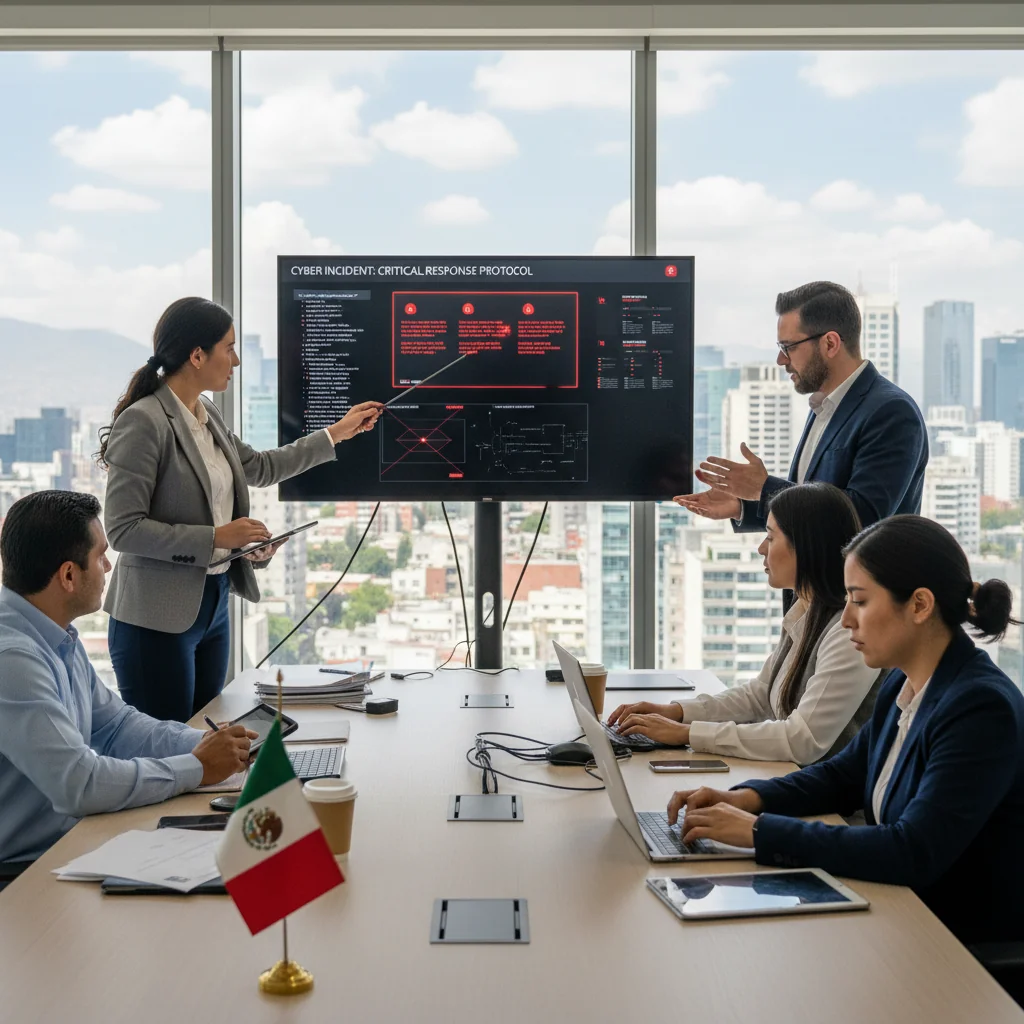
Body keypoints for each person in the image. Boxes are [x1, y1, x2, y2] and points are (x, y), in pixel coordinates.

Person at [665, 515, 1024, 945]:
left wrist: (757, 832)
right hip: (897, 914)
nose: (846, 621)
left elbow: (912, 851)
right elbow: (842, 776)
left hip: (953, 946)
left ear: (920, 605)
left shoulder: (980, 708)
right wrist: (747, 797)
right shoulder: (905, 679)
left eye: (860, 601)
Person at [98, 297, 383, 722]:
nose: (236, 361)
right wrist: (217, 538)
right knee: (169, 752)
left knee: (208, 742)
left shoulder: (205, 412)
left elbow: (261, 468)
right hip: (155, 620)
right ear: (197, 355)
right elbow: (122, 529)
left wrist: (336, 434)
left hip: (212, 604)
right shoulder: (145, 421)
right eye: (228, 348)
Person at [0, 491, 256, 869]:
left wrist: (209, 744)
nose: (107, 566)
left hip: (71, 845)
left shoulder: (55, 635)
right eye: (100, 555)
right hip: (24, 874)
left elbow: (117, 727)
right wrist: (197, 767)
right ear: (69, 575)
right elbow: (80, 785)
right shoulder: (13, 660)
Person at [608, 483, 883, 765]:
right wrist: (676, 712)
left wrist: (687, 734)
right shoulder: (806, 611)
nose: (761, 548)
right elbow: (761, 695)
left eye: (771, 537)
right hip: (788, 779)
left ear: (805, 546)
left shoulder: (847, 632)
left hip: (831, 804)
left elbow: (802, 741)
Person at [675, 281, 927, 534]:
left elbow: (862, 518)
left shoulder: (891, 411)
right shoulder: (824, 406)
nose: (781, 360)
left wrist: (763, 490)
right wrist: (744, 505)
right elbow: (811, 512)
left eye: (789, 347)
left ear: (830, 343)